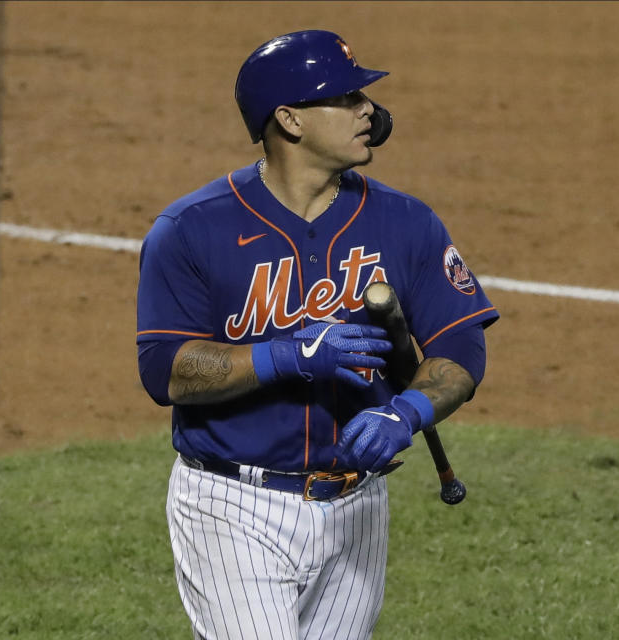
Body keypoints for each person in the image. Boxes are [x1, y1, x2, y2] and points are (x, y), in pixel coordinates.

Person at [136, 30, 499, 640]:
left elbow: (459, 350)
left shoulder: (406, 222)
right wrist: (288, 356)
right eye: (346, 97)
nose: (368, 110)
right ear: (289, 120)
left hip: (359, 508)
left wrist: (406, 411)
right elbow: (166, 371)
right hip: (233, 505)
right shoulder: (191, 229)